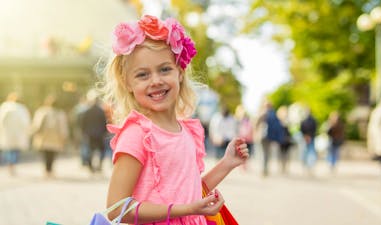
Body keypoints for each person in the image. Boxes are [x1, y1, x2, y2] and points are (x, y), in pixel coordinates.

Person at [101, 15, 249, 224]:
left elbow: (189, 190)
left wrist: (227, 164)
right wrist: (186, 209)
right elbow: (116, 209)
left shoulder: (187, 131)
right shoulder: (138, 134)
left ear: (180, 72)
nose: (156, 81)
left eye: (164, 69)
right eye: (143, 75)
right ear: (127, 83)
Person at [31, 94, 69, 178]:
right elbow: (63, 127)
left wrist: (33, 132)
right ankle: (50, 169)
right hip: (55, 137)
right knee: (52, 154)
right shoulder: (60, 113)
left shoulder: (42, 111)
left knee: (45, 153)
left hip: (44, 136)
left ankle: (47, 169)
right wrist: (64, 137)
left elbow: (37, 125)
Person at [0, 92, 31, 176]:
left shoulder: (5, 106)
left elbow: (1, 120)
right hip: (18, 134)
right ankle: (12, 164)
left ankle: (10, 164)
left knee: (8, 149)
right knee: (15, 150)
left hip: (7, 132)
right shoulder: (22, 108)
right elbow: (26, 122)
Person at [80, 89, 108, 173]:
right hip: (100, 133)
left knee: (90, 150)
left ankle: (90, 166)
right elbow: (104, 122)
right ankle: (99, 165)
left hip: (89, 134)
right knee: (102, 150)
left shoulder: (87, 111)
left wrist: (83, 132)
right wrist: (105, 132)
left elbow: (83, 123)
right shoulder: (101, 111)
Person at [256, 101, 284, 176]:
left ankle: (263, 169)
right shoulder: (274, 114)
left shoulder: (263, 113)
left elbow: (257, 123)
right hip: (270, 137)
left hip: (262, 136)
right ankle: (266, 169)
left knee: (262, 153)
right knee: (267, 153)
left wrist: (256, 133)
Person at [300, 108, 318, 174]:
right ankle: (309, 165)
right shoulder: (313, 120)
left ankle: (308, 165)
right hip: (310, 137)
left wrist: (306, 135)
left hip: (308, 137)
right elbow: (315, 128)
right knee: (310, 152)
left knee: (308, 152)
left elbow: (302, 128)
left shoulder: (304, 120)